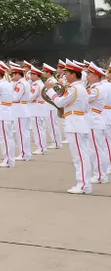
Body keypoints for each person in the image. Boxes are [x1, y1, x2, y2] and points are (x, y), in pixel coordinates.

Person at [48, 61, 93, 194]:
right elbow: (84, 108)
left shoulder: (74, 88)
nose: (65, 76)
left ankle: (84, 184)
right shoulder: (81, 88)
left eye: (67, 73)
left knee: (80, 156)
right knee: (81, 155)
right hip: (78, 122)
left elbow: (60, 102)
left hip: (75, 124)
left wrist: (51, 90)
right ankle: (83, 182)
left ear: (73, 74)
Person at [85, 61, 110, 184]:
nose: (87, 76)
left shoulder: (95, 89)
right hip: (94, 120)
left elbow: (82, 99)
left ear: (95, 76)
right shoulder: (95, 87)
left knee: (96, 149)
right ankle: (101, 173)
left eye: (89, 74)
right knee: (97, 149)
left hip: (94, 121)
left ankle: (100, 175)